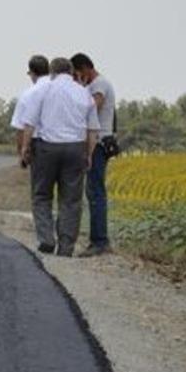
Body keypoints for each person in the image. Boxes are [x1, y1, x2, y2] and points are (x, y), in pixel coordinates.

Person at [21, 57, 100, 256]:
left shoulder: (43, 90)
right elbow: (92, 130)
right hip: (75, 148)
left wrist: (25, 148)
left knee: (41, 195)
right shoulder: (84, 93)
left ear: (53, 73)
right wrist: (89, 154)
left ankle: (46, 239)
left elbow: (29, 123)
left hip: (47, 148)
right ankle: (66, 247)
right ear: (71, 72)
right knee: (71, 200)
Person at [71, 53, 116, 256]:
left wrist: (79, 89)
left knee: (96, 192)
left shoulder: (99, 85)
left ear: (86, 69)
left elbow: (90, 109)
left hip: (98, 143)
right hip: (94, 141)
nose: (77, 77)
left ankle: (100, 241)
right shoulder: (93, 85)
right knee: (92, 191)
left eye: (78, 73)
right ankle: (97, 239)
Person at [10, 55, 51, 168]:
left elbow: (21, 128)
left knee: (41, 184)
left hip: (40, 145)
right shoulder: (60, 90)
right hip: (67, 144)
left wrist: (22, 153)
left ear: (32, 73)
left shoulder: (28, 94)